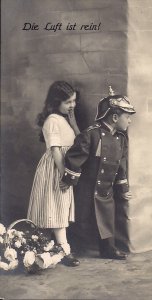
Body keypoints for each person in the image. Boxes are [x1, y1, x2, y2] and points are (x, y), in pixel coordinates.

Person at [61, 86, 136, 260]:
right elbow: (74, 157)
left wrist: (123, 188)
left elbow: (121, 164)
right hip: (88, 186)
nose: (130, 121)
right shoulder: (91, 135)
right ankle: (71, 249)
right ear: (115, 117)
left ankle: (108, 249)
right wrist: (69, 179)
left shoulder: (121, 138)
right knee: (80, 218)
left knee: (107, 218)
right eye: (128, 117)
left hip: (106, 187)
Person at [27, 81, 80, 267]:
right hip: (55, 169)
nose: (72, 105)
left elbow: (80, 142)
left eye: (74, 101)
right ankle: (64, 249)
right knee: (55, 208)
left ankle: (47, 248)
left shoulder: (65, 119)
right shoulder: (52, 121)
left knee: (58, 208)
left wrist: (73, 123)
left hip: (65, 168)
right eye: (68, 102)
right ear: (56, 101)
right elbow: (56, 151)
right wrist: (64, 174)